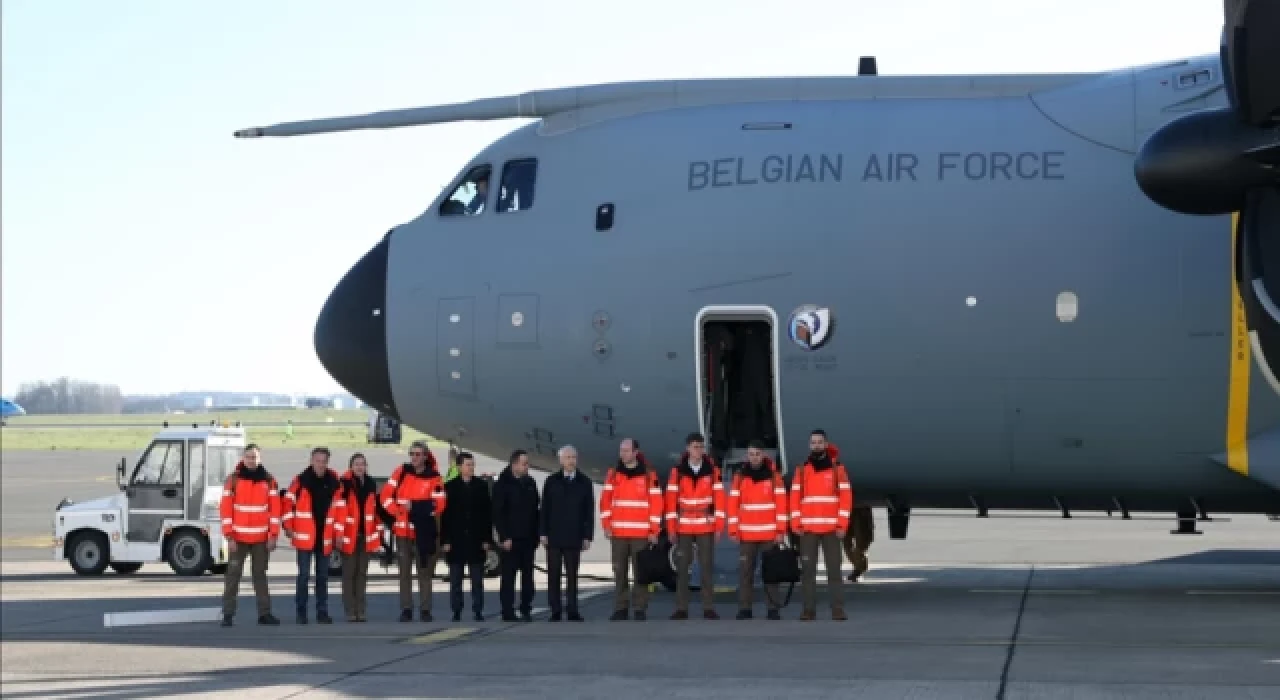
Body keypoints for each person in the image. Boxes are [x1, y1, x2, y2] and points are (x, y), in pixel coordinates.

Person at [380, 440, 447, 622]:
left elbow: (439, 505)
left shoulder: (434, 477)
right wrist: (398, 511)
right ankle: (406, 609)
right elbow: (385, 497)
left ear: (425, 456)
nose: (414, 457)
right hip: (402, 533)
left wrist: (415, 507)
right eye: (412, 454)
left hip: (423, 532)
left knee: (424, 572)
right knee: (404, 572)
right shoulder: (401, 472)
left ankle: (425, 609)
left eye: (418, 454)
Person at [790, 429, 853, 621]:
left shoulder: (838, 470)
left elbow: (846, 498)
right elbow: (794, 498)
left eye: (820, 442)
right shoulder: (801, 470)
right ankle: (808, 609)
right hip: (808, 530)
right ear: (810, 445)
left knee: (834, 570)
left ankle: (837, 608)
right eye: (813, 442)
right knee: (808, 572)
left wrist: (842, 524)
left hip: (831, 530)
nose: (816, 445)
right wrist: (795, 522)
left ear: (826, 444)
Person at [600, 438, 663, 621]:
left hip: (640, 534)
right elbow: (605, 501)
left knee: (640, 573)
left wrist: (654, 531)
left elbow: (656, 503)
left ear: (636, 452)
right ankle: (620, 608)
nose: (623, 454)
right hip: (618, 534)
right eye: (621, 450)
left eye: (627, 451)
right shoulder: (613, 473)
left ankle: (639, 608)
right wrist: (606, 525)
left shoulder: (649, 474)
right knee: (619, 571)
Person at [219, 444, 281, 627]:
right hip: (238, 540)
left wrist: (273, 536)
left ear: (260, 458)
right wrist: (229, 537)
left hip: (261, 540)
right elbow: (225, 510)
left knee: (260, 576)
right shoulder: (233, 480)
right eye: (248, 457)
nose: (252, 460)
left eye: (254, 457)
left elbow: (275, 511)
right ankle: (228, 614)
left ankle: (265, 614)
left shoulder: (269, 481)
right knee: (232, 576)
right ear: (243, 458)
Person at [665, 432, 725, 620]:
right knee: (683, 569)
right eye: (695, 447)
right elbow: (670, 501)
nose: (698, 450)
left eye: (700, 447)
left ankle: (708, 607)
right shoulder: (678, 472)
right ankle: (681, 608)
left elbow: (720, 501)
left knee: (706, 568)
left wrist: (719, 526)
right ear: (688, 449)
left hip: (705, 526)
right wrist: (671, 528)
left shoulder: (712, 471)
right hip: (683, 527)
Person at [727, 441, 788, 620]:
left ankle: (773, 608)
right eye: (751, 454)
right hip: (746, 535)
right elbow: (732, 505)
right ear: (747, 456)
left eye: (757, 454)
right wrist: (733, 530)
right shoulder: (740, 477)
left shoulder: (774, 477)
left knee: (771, 574)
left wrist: (780, 531)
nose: (754, 457)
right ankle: (745, 609)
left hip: (769, 535)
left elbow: (781, 505)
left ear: (763, 455)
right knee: (745, 573)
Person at [283, 446, 340, 624]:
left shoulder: (334, 481)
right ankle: (302, 612)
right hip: (305, 537)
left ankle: (322, 612)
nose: (321, 465)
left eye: (324, 461)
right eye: (318, 461)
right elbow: (287, 504)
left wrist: (338, 533)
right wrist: (288, 526)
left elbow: (340, 510)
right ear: (311, 461)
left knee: (322, 577)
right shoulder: (300, 481)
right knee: (304, 576)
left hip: (325, 537)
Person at [539, 445, 594, 621]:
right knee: (553, 575)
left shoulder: (584, 482)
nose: (571, 461)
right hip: (554, 536)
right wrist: (543, 532)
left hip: (574, 535)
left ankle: (572, 610)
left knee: (572, 575)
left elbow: (589, 511)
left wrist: (587, 536)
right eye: (568, 458)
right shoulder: (551, 481)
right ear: (561, 460)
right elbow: (544, 509)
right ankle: (555, 610)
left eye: (574, 458)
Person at [329, 452, 382, 622]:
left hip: (364, 536)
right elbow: (338, 511)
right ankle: (350, 610)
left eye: (362, 464)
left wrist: (378, 534)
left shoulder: (371, 484)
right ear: (351, 466)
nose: (360, 467)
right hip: (348, 536)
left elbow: (375, 513)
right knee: (349, 574)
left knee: (362, 574)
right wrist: (337, 534)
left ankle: (361, 609)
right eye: (357, 464)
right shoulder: (343, 485)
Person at [441, 451, 493, 622]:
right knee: (456, 579)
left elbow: (487, 515)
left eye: (472, 464)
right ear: (459, 467)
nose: (471, 468)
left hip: (476, 539)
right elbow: (445, 517)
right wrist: (445, 540)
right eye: (468, 465)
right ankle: (456, 609)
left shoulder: (481, 486)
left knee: (477, 579)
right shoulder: (450, 487)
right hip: (456, 540)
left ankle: (478, 609)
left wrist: (487, 539)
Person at [492, 449, 540, 622]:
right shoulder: (502, 484)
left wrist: (536, 535)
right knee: (509, 577)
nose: (527, 467)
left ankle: (526, 607)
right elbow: (498, 513)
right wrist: (504, 537)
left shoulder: (530, 483)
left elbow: (536, 510)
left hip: (528, 538)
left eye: (527, 463)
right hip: (511, 539)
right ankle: (507, 610)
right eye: (524, 464)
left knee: (528, 577)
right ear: (514, 465)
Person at [843, 505, 875, 582]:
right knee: (847, 543)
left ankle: (859, 569)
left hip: (861, 508)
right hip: (845, 508)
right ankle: (859, 568)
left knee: (861, 542)